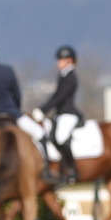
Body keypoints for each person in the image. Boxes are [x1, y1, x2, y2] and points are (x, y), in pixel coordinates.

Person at [33, 45, 83, 185]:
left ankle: (73, 170)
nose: (58, 62)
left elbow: (60, 97)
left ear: (69, 60)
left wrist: (43, 110)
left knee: (60, 138)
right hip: (60, 113)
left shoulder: (71, 76)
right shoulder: (63, 75)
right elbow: (56, 96)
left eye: (61, 59)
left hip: (68, 113)